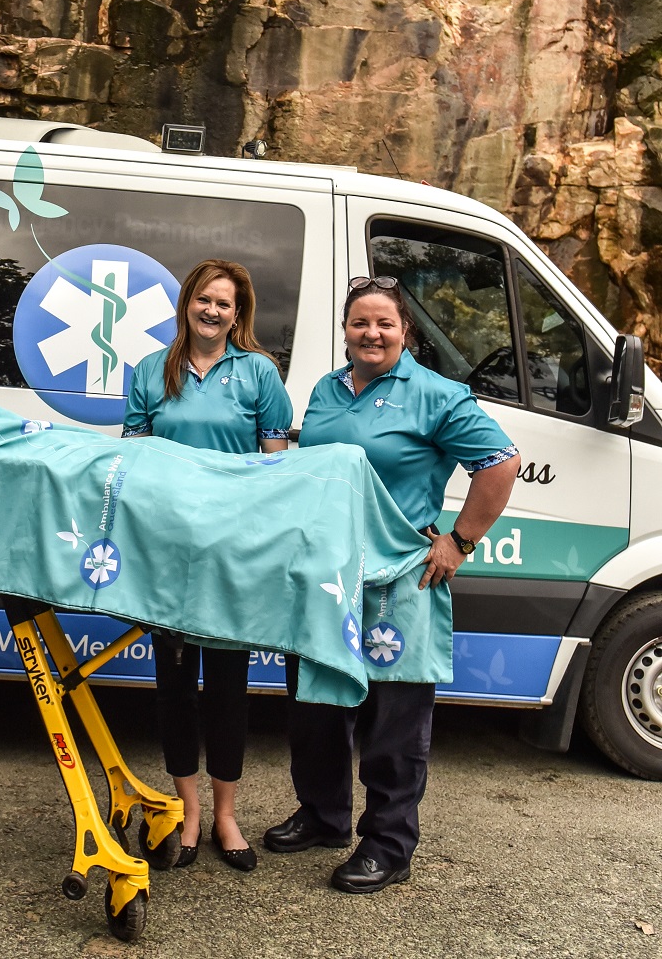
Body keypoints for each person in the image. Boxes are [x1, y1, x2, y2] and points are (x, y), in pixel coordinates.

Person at [262, 275, 520, 893]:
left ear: (405, 331)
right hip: (327, 574)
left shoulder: (437, 395)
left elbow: (501, 462)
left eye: (384, 323)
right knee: (316, 709)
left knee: (393, 723)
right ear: (346, 330)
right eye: (360, 323)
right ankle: (325, 818)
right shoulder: (327, 389)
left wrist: (458, 541)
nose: (371, 333)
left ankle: (388, 843)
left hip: (399, 578)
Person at [122, 259, 292, 873]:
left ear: (238, 313)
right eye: (204, 299)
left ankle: (226, 814)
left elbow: (276, 471)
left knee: (226, 686)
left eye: (225, 303)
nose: (213, 311)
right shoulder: (150, 370)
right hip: (167, 554)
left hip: (230, 556)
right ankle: (188, 811)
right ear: (186, 303)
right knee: (173, 686)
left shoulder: (260, 374)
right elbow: (134, 462)